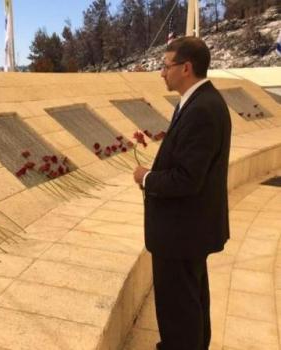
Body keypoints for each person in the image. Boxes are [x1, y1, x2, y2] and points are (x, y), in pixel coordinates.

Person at [133, 36, 231, 350]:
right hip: (189, 230)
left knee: (179, 308)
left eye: (166, 66)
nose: (162, 73)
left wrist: (147, 177)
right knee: (190, 301)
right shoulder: (198, 102)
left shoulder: (202, 109)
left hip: (182, 232)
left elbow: (188, 179)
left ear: (186, 68)